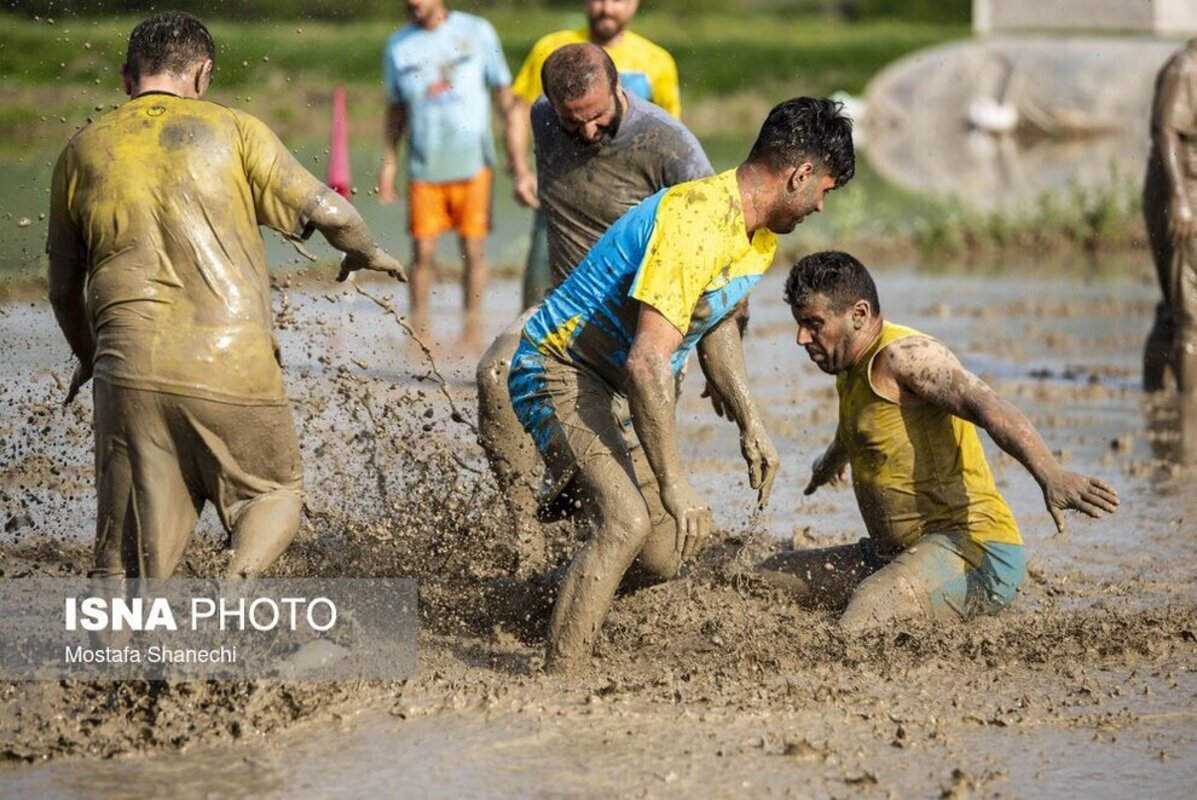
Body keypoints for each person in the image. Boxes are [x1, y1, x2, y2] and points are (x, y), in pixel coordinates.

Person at [47, 11, 405, 580]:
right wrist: (365, 252)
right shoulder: (235, 130)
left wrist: (89, 356)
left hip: (128, 368)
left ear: (126, 78)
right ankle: (235, 582)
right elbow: (334, 215)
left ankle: (117, 637)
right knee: (272, 493)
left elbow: (62, 287)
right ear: (203, 74)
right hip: (235, 366)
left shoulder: (81, 150)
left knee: (123, 567)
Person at [508, 97, 855, 672]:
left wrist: (750, 422)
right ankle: (561, 673)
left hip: (613, 385)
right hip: (558, 367)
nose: (820, 204)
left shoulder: (758, 236)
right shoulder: (696, 221)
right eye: (823, 190)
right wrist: (675, 483)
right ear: (799, 174)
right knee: (628, 521)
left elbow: (713, 320)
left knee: (664, 551)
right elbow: (647, 363)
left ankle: (519, 607)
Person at [763, 251, 1120, 628]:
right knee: (765, 579)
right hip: (892, 556)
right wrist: (830, 462)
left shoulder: (907, 356)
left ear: (859, 314)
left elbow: (990, 408)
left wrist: (1051, 475)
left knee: (867, 608)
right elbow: (861, 427)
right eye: (799, 324)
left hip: (974, 551)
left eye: (813, 324)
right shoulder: (849, 365)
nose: (801, 338)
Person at [476, 43, 713, 573]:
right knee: (495, 373)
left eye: (598, 117)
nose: (586, 132)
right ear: (551, 106)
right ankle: (526, 537)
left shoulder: (668, 144)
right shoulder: (542, 119)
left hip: (640, 323)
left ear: (618, 87)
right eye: (572, 121)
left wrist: (719, 352)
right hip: (565, 309)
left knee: (655, 553)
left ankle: (603, 518)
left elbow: (719, 245)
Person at [508, 0, 681, 309]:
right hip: (558, 197)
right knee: (538, 304)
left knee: (626, 307)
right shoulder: (551, 49)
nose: (606, 9)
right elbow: (519, 109)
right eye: (599, 0)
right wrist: (521, 171)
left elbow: (669, 136)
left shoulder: (657, 61)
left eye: (617, 1)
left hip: (629, 205)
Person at [377, 0, 529, 327]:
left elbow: (504, 96)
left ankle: (472, 326)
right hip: (424, 163)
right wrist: (389, 163)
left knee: (473, 249)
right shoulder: (398, 46)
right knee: (423, 250)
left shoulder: (478, 31)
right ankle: (418, 326)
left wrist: (516, 156)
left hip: (473, 162)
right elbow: (396, 109)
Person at [1143, 38, 1197, 462]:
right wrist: (1179, 197)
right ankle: (1188, 415)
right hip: (1183, 195)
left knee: (1175, 306)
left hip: (1186, 193)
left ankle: (1154, 396)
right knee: (1191, 313)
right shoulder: (1185, 69)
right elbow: (1166, 132)